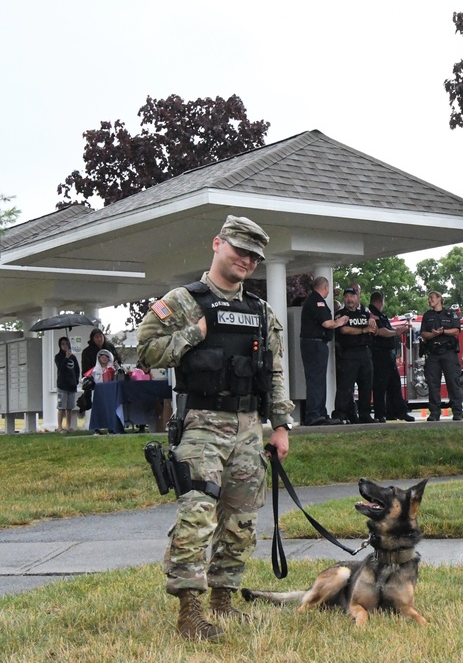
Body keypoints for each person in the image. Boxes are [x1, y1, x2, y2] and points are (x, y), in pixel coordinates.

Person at [136, 215, 293, 641]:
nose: (246, 260)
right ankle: (190, 613)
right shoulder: (184, 301)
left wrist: (280, 426)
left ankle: (223, 602)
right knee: (197, 515)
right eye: (239, 250)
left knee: (242, 520)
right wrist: (193, 334)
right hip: (202, 424)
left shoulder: (260, 311)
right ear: (217, 243)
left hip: (247, 426)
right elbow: (145, 351)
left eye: (254, 256)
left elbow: (274, 371)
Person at [299, 276, 347, 425]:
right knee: (316, 379)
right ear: (325, 287)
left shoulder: (312, 300)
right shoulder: (317, 301)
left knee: (318, 379)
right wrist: (340, 322)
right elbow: (327, 323)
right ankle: (314, 414)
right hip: (315, 344)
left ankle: (320, 412)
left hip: (314, 344)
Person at [369, 290, 415, 422]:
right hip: (379, 354)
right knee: (380, 385)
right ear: (380, 301)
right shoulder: (373, 314)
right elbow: (380, 331)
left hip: (387, 355)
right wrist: (396, 332)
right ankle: (380, 414)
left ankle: (397, 412)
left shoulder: (379, 314)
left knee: (394, 384)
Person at [334, 286, 377, 424]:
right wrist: (364, 330)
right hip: (349, 353)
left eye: (352, 296)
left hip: (365, 352)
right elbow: (344, 330)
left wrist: (373, 322)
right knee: (345, 386)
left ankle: (365, 414)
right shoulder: (341, 314)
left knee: (366, 385)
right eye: (346, 296)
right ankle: (340, 414)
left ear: (357, 297)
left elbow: (374, 329)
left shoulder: (365, 312)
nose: (349, 299)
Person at [420, 291, 463, 421]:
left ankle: (457, 412)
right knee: (433, 384)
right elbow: (423, 334)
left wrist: (443, 331)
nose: (429, 300)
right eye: (429, 298)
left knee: (453, 382)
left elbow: (456, 330)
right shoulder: (427, 316)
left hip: (448, 352)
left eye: (432, 298)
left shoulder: (450, 314)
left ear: (439, 299)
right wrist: (434, 334)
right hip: (433, 353)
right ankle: (434, 413)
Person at [54, 336, 80, 431]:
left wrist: (76, 380)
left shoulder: (73, 357)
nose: (65, 346)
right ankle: (60, 426)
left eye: (66, 344)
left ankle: (68, 426)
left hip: (72, 386)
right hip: (62, 385)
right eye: (63, 344)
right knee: (61, 407)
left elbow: (77, 370)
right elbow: (61, 368)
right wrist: (66, 357)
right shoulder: (58, 357)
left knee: (69, 407)